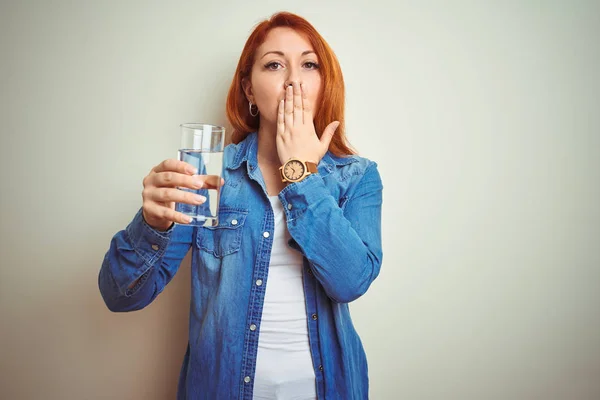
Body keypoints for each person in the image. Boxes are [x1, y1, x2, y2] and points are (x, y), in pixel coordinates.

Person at [99, 11, 383, 400]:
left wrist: (300, 176)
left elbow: (350, 282)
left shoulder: (357, 177)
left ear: (323, 83)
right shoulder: (210, 174)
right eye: (274, 65)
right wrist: (152, 223)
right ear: (249, 90)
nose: (293, 80)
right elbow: (121, 296)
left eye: (309, 64)